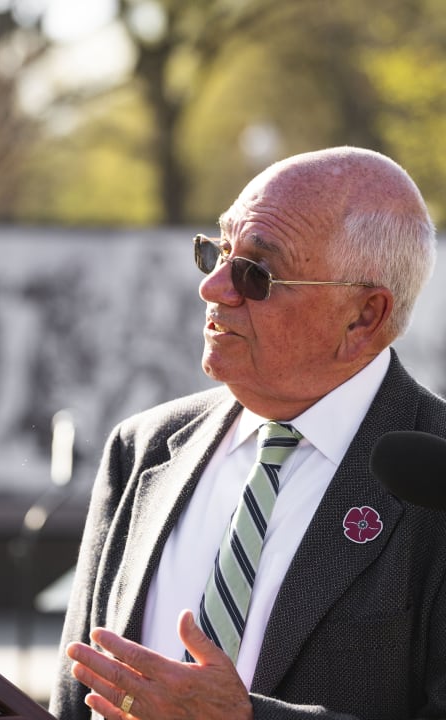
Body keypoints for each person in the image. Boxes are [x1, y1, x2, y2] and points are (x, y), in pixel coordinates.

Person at [52, 146, 446, 719]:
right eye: (217, 251)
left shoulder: (435, 478)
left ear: (363, 317)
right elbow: (72, 697)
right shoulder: (146, 448)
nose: (213, 289)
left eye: (255, 274)